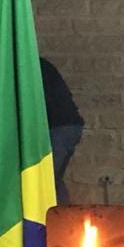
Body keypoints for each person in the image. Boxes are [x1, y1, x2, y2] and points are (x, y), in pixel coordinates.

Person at [39, 57, 83, 204]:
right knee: (53, 179)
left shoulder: (30, 69)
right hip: (65, 126)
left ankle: (53, 220)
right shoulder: (39, 64)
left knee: (45, 180)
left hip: (60, 127)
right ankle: (61, 218)